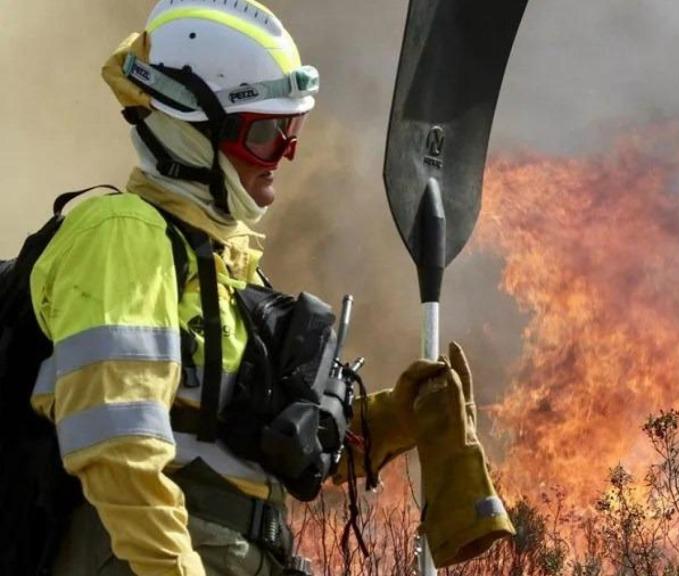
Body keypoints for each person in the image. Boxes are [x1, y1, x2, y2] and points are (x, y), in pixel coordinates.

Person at [27, 1, 512, 574]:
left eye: (292, 131)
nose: (284, 155)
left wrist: (398, 417)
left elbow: (276, 449)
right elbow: (115, 445)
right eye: (266, 134)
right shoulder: (123, 237)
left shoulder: (232, 277)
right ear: (189, 129)